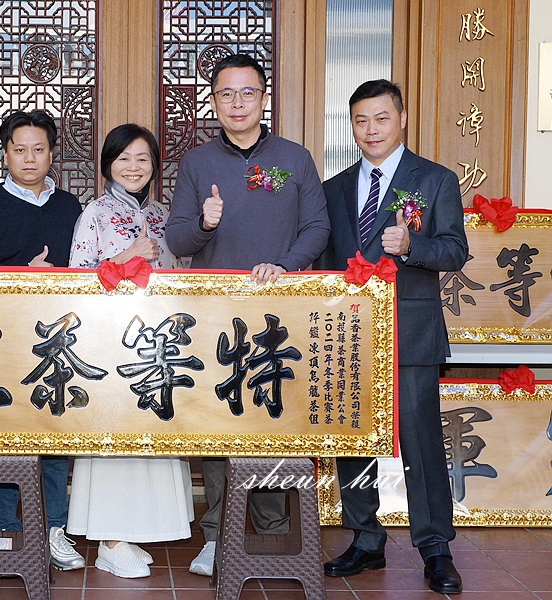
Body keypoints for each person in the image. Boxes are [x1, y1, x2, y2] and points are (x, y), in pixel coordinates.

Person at [165, 53, 330, 577]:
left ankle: (273, 529)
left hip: (279, 314)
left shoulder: (294, 158)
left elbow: (318, 227)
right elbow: (177, 239)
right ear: (213, 102)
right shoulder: (197, 163)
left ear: (263, 98)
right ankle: (216, 535)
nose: (237, 103)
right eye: (226, 94)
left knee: (272, 416)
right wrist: (205, 224)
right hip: (216, 316)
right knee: (219, 419)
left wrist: (285, 265)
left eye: (247, 92)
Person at [316, 79, 467, 595]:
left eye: (381, 118)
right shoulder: (334, 188)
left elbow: (455, 251)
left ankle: (435, 547)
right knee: (353, 439)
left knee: (420, 442)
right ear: (351, 127)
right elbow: (325, 261)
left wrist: (411, 245)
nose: (371, 129)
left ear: (401, 119)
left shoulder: (435, 179)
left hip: (412, 331)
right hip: (348, 335)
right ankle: (365, 537)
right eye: (361, 120)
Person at [0, 109, 86, 571]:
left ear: (52, 155)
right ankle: (6, 531)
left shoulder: (70, 208)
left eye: (38, 149)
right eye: (19, 149)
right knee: (3, 438)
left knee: (55, 434)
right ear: (5, 155)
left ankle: (54, 531)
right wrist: (21, 273)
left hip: (57, 344)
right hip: (1, 343)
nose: (29, 158)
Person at [66, 123, 192, 579]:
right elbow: (75, 279)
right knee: (113, 438)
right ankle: (109, 540)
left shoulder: (164, 214)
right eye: (123, 159)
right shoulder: (95, 212)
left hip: (160, 344)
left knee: (154, 432)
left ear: (155, 166)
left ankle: (135, 531)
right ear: (108, 165)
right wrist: (125, 257)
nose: (133, 167)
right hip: (111, 343)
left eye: (143, 159)